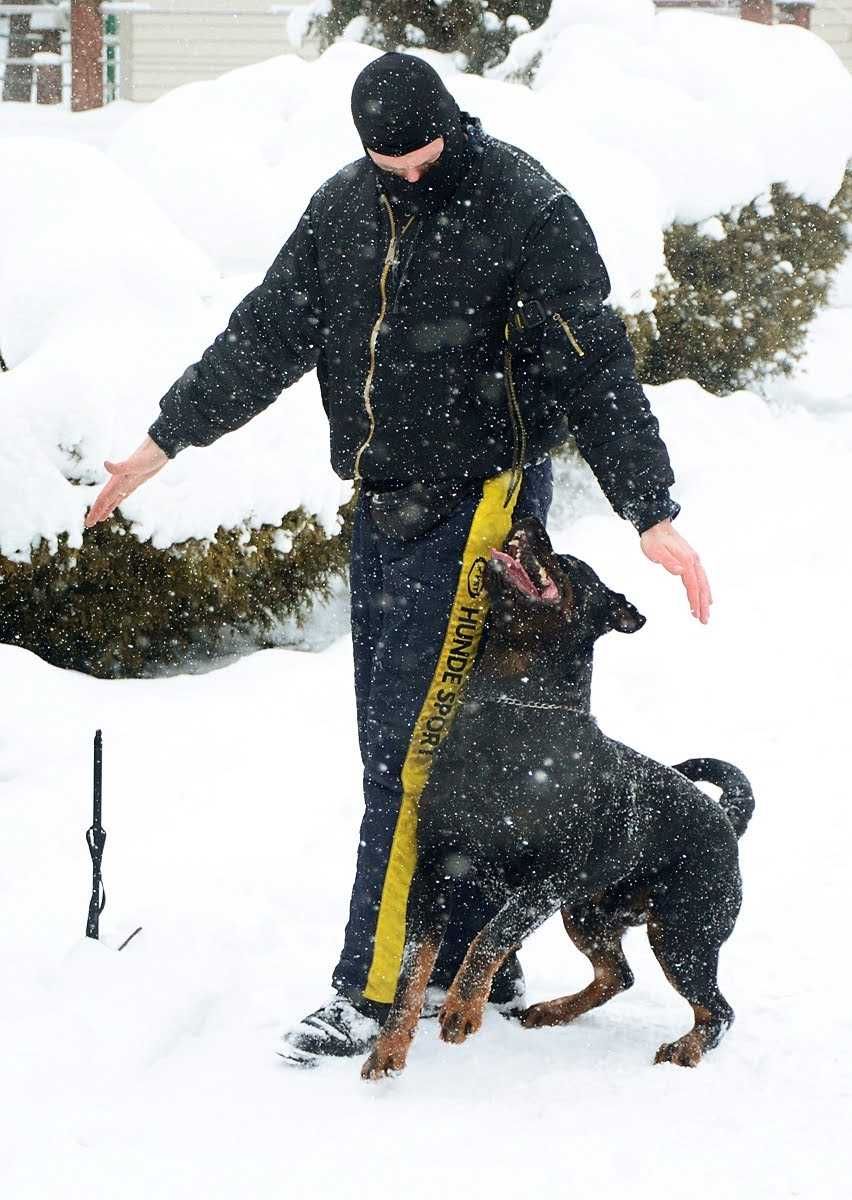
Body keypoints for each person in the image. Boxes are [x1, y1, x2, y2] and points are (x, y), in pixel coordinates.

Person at [85, 53, 712, 1066]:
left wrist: (651, 509)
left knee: (410, 759)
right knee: (436, 751)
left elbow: (594, 363)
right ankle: (483, 958)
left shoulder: (526, 209)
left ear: (451, 126)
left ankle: (375, 990)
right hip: (383, 512)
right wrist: (162, 444)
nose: (409, 180)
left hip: (482, 514)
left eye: (422, 160)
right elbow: (265, 334)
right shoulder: (346, 207)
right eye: (390, 167)